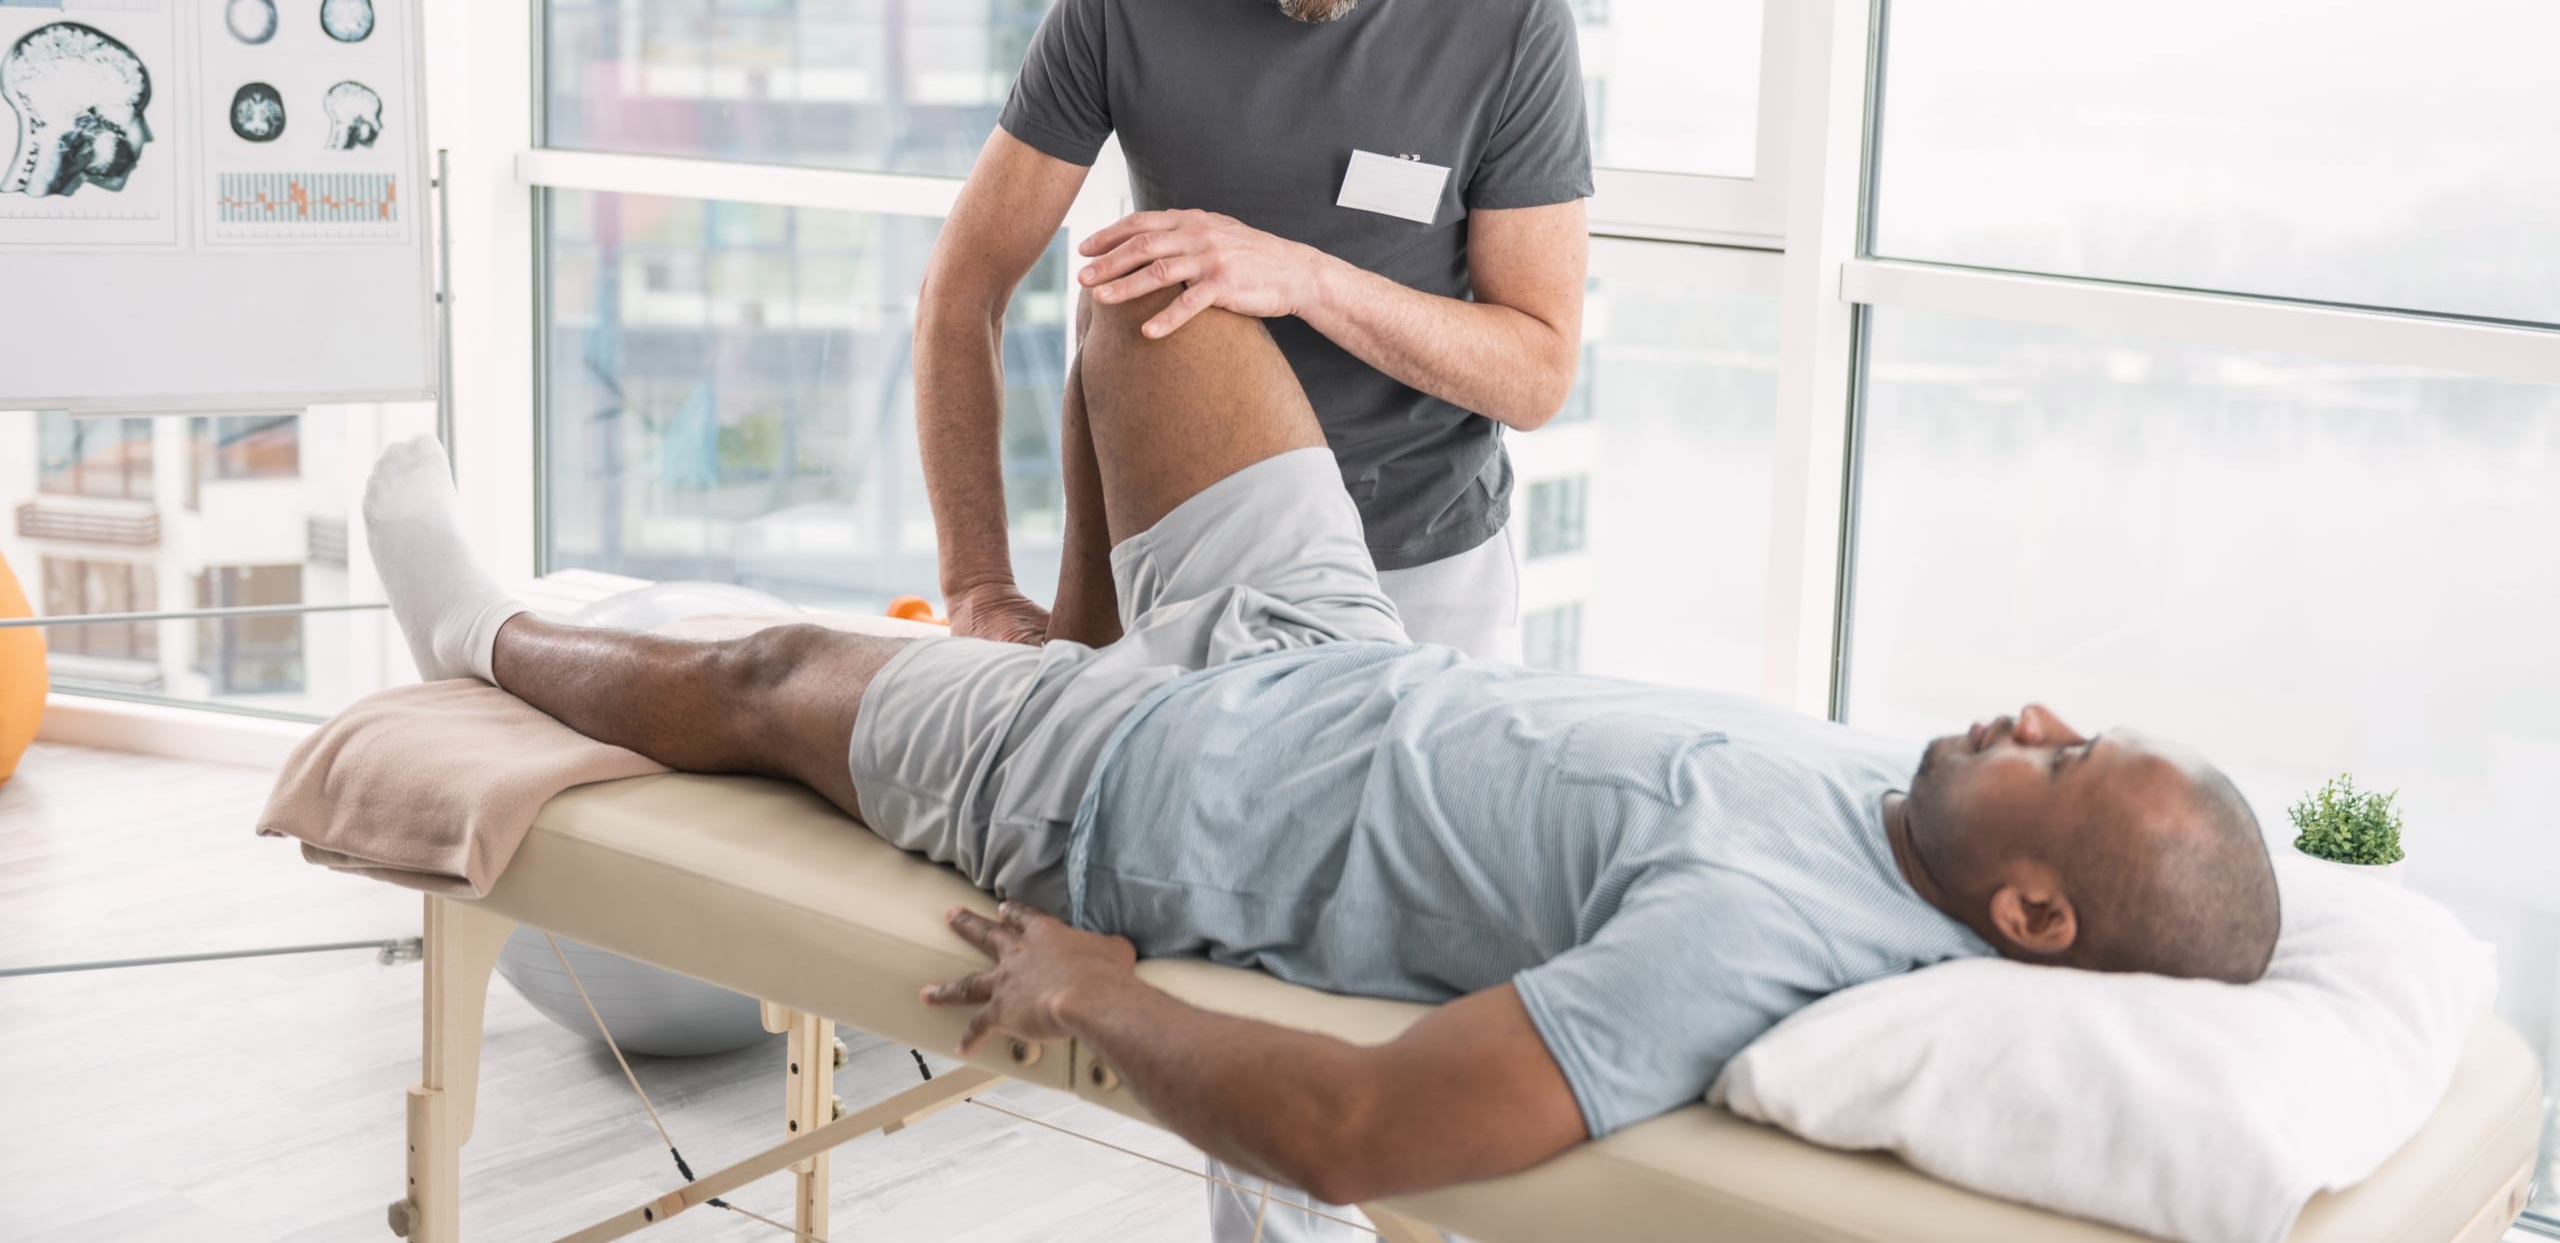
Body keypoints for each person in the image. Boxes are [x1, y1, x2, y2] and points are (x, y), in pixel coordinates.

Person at [362, 287, 2286, 1220]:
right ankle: (1075, 626)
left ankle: (477, 629)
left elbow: (1370, 1135)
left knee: (784, 668)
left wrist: (1097, 995)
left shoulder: (1770, 936)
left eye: (2069, 755)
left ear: (2032, 908)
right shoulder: (1899, 801)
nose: (2035, 715)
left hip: (1135, 785)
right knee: (1153, 297)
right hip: (1327, 645)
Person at [916, 0, 1593, 667]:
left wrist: (1302, 276)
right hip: (1195, 548)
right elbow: (961, 290)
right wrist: (974, 581)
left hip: (1427, 569)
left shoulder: (1512, 19)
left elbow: (1535, 375)